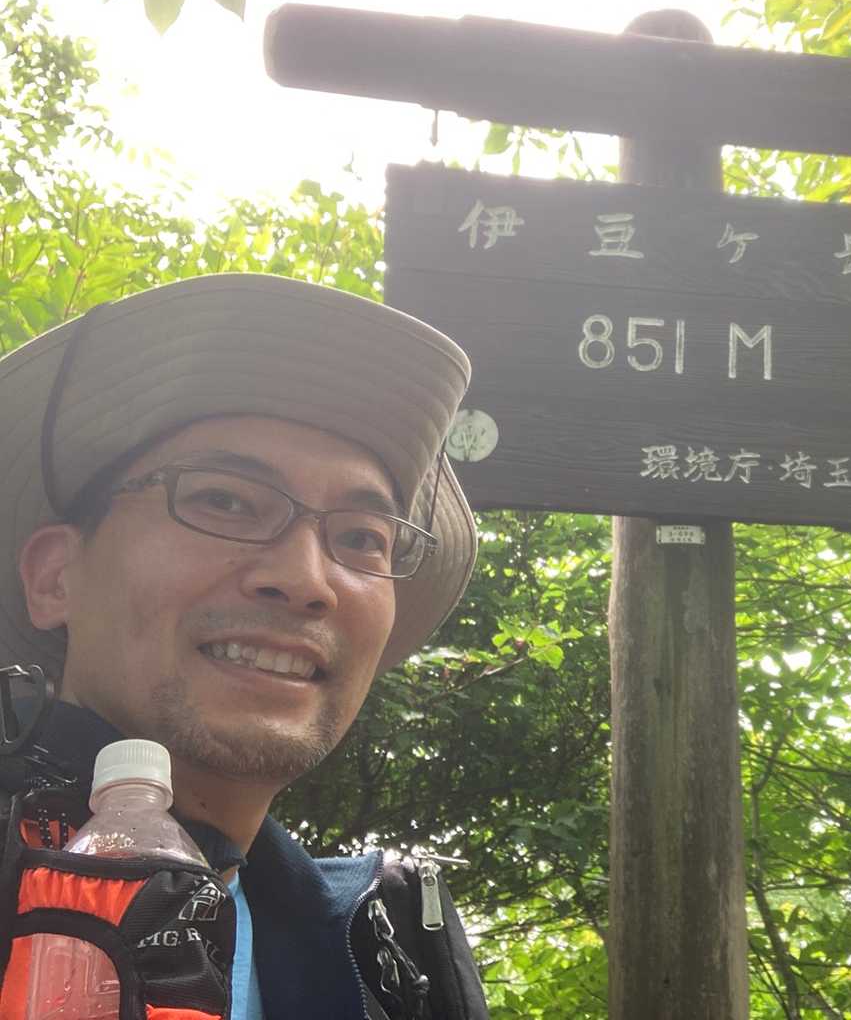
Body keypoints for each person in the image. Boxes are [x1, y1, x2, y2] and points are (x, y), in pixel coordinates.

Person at [0, 274, 489, 1018]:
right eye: (223, 500)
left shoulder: (384, 954)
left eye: (363, 538)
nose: (305, 580)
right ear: (55, 577)